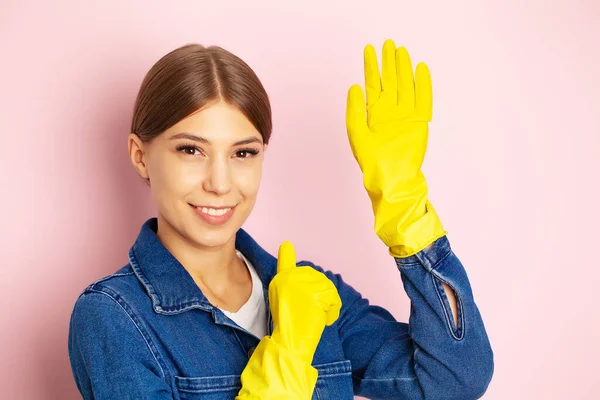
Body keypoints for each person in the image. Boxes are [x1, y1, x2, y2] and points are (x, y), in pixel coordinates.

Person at [68, 39, 494, 399]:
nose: (220, 182)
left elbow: (453, 379)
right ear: (140, 157)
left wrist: (405, 205)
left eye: (243, 153)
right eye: (191, 150)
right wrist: (286, 358)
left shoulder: (310, 294)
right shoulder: (114, 317)